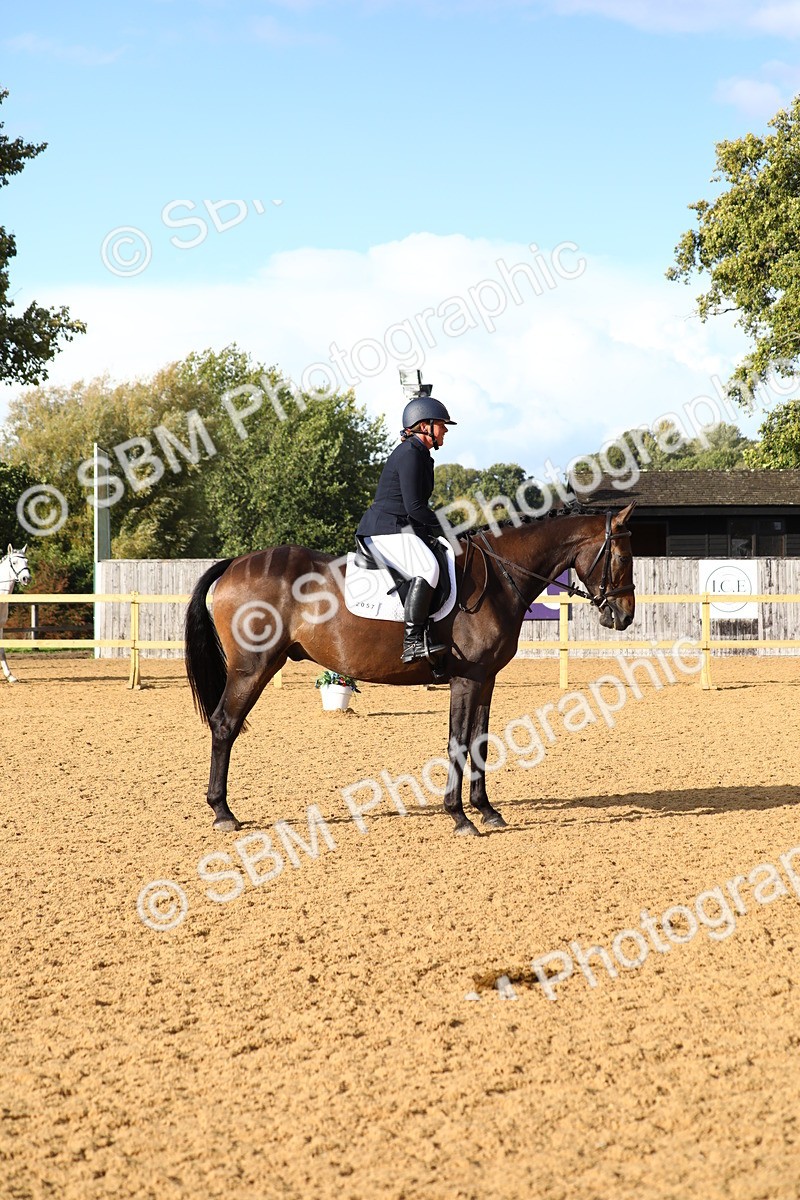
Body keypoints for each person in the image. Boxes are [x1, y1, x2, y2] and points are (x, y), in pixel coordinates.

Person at [357, 394, 457, 663]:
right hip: (386, 529)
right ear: (425, 426)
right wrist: (446, 529)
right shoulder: (410, 454)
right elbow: (415, 507)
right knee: (428, 568)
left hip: (401, 528)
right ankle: (413, 641)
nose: (445, 429)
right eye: (441, 424)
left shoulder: (421, 454)